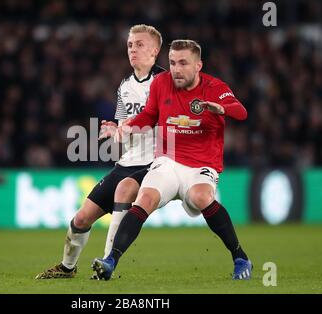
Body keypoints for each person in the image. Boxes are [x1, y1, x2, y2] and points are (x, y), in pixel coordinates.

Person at [92, 39, 253, 281]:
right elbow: (149, 114)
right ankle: (110, 261)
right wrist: (124, 128)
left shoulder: (214, 86)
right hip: (168, 161)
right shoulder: (161, 83)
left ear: (199, 65)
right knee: (144, 198)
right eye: (172, 63)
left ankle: (240, 257)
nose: (176, 69)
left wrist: (221, 108)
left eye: (183, 63)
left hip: (201, 165)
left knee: (201, 197)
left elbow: (241, 111)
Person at [35, 24, 165, 279]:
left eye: (139, 44)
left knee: (123, 190)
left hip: (155, 163)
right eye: (130, 45)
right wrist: (114, 129)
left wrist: (132, 127)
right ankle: (67, 268)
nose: (133, 49)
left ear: (155, 50)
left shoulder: (166, 83)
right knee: (81, 219)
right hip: (127, 161)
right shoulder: (125, 86)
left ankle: (107, 264)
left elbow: (166, 120)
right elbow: (125, 124)